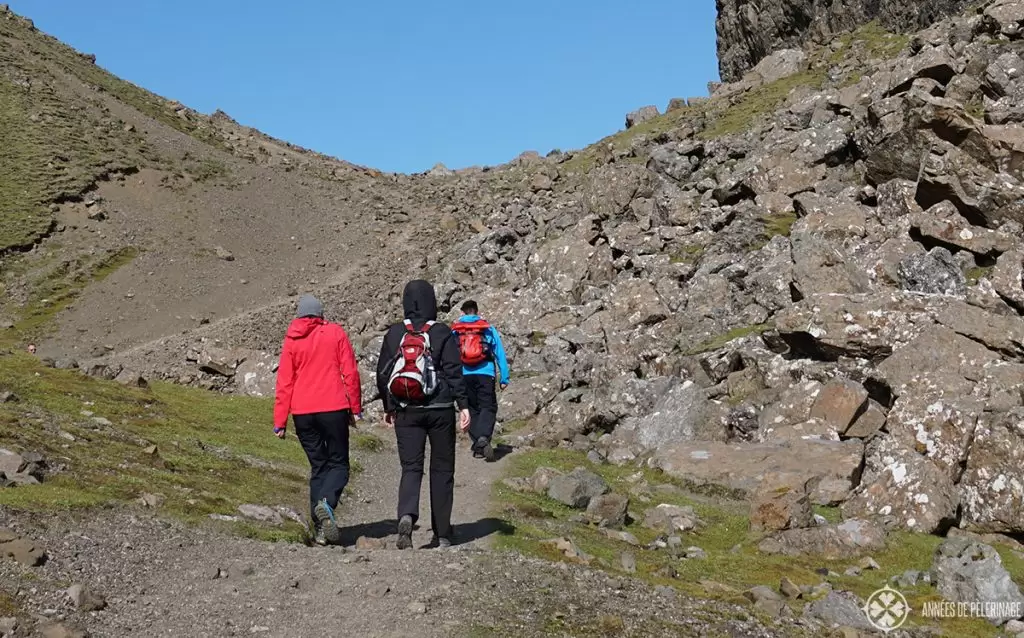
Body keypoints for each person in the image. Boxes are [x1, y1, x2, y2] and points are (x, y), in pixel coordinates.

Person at [376, 280, 470, 549]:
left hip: (406, 409)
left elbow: (383, 376)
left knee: (411, 467)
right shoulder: (442, 332)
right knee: (442, 469)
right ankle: (441, 532)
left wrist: (389, 407)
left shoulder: (395, 334)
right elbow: (454, 372)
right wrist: (463, 406)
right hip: (440, 410)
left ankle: (406, 515)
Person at [273, 294, 362, 546]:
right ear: (320, 314)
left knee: (319, 466)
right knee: (339, 464)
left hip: (302, 413)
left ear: (300, 315)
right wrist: (355, 408)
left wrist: (280, 422)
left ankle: (320, 529)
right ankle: (327, 505)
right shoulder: (335, 333)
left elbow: (284, 382)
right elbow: (350, 372)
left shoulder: (291, 340)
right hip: (333, 408)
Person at [452, 300, 510, 462]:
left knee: (470, 407)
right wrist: (504, 377)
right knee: (488, 406)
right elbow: (499, 353)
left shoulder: (456, 331)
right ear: (476, 311)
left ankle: (478, 441)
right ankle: (483, 437)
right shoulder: (487, 329)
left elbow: (449, 355)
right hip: (485, 373)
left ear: (463, 312)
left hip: (464, 374)